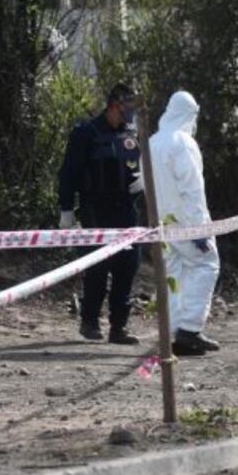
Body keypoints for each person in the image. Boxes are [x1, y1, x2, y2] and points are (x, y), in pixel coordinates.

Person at [58, 83, 144, 345]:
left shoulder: (131, 133)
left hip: (126, 208)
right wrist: (66, 210)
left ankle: (119, 327)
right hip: (96, 208)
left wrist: (141, 181)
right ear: (114, 105)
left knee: (128, 265)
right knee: (97, 266)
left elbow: (136, 163)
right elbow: (68, 172)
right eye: (128, 105)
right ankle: (90, 320)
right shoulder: (86, 132)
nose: (131, 111)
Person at [149, 91, 221, 356]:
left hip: (162, 224)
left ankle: (173, 330)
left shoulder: (153, 141)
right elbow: (193, 190)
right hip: (187, 223)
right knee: (207, 265)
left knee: (174, 273)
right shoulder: (183, 143)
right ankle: (190, 331)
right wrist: (200, 228)